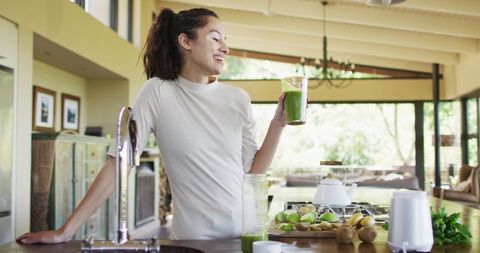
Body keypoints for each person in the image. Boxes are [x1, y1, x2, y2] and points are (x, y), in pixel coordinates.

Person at [17, 7, 285, 243]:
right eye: (216, 38)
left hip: (243, 236)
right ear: (186, 42)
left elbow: (253, 173)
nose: (225, 47)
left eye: (225, 39)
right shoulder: (158, 92)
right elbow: (119, 164)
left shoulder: (237, 99)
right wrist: (65, 231)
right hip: (192, 241)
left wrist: (278, 124)